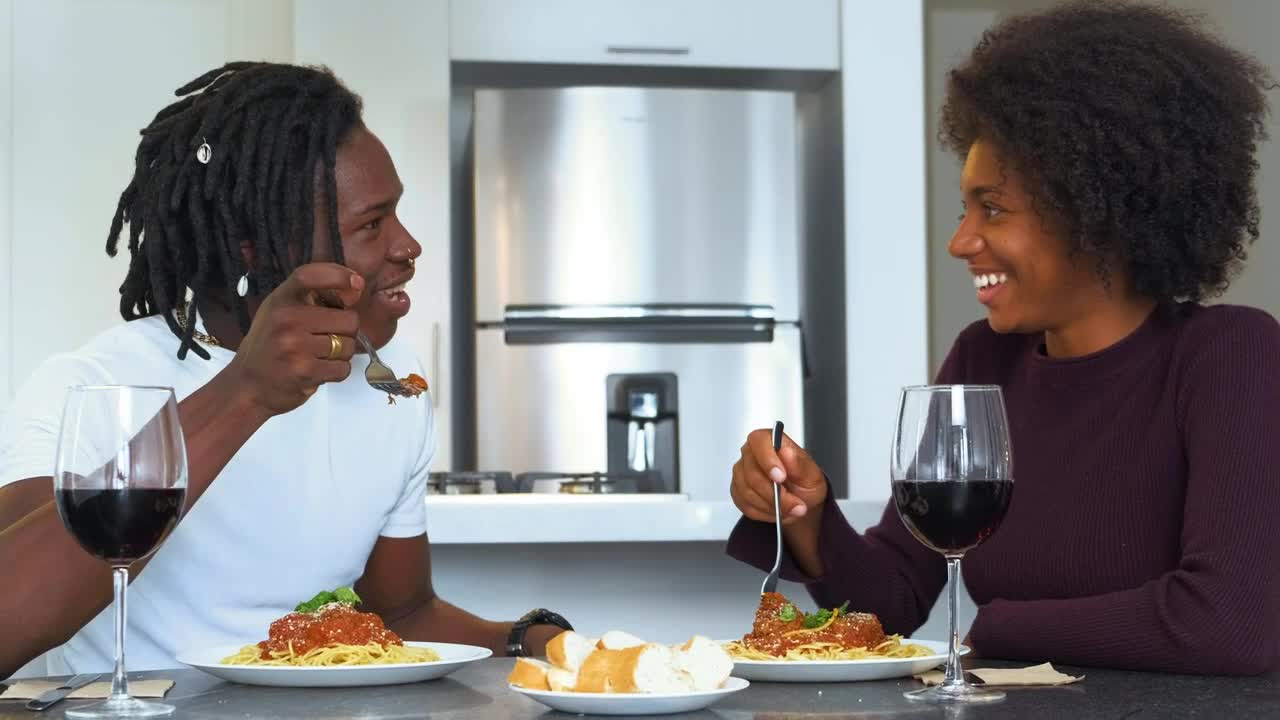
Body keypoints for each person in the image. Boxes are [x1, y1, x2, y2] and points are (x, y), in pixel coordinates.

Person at [727, 0, 1279, 675]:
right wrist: (808, 517)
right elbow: (895, 597)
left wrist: (999, 626)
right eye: (966, 208)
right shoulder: (982, 360)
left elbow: (1228, 625)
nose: (961, 241)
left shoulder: (1231, 358)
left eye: (992, 208)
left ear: (1095, 211)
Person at [0, 62, 570, 678]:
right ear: (256, 246)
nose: (409, 247)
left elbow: (403, 614)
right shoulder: (87, 388)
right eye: (373, 224)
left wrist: (528, 640)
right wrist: (245, 394)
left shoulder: (393, 385)